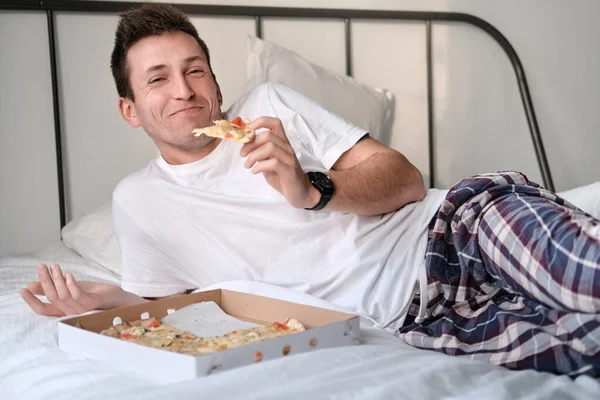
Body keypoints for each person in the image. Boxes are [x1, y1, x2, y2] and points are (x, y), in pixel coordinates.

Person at [21, 4, 599, 378]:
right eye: (158, 78)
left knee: (584, 277)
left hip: (455, 228)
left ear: (216, 81)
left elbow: (406, 179)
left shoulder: (270, 107)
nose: (185, 90)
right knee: (582, 350)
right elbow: (171, 306)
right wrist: (102, 303)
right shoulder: (139, 204)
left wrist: (312, 188)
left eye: (196, 69)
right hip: (416, 321)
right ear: (130, 110)